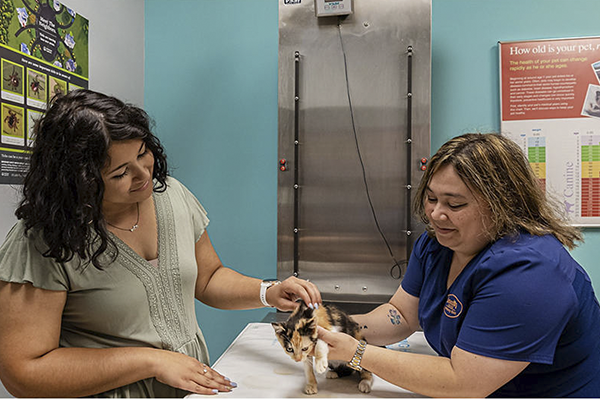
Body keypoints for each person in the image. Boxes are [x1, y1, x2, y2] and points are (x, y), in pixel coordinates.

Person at [0, 89, 321, 398]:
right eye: (120, 173)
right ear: (79, 182)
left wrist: (268, 292)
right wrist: (150, 362)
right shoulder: (44, 238)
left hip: (188, 389)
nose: (143, 175)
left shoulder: (173, 195)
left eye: (143, 154)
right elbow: (24, 372)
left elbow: (208, 278)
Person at [318, 133, 600, 397]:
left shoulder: (530, 273)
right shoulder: (438, 244)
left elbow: (463, 382)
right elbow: (402, 315)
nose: (436, 214)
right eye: (431, 199)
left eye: (455, 205)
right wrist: (334, 327)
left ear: (502, 205)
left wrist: (355, 352)